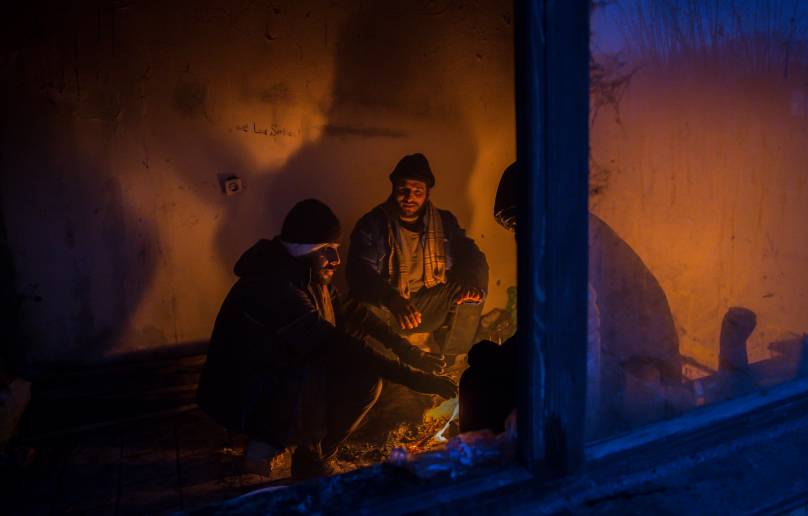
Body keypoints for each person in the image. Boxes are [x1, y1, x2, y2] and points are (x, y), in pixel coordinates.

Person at [196, 199, 457, 479]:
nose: (337, 260)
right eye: (327, 251)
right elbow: (337, 346)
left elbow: (356, 314)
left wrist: (410, 353)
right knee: (344, 377)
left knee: (356, 370)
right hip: (247, 391)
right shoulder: (274, 285)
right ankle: (275, 450)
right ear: (304, 251)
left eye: (336, 249)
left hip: (280, 372)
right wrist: (413, 378)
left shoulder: (306, 273)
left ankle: (309, 448)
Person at [459, 163, 682, 435]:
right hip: (625, 369)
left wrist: (501, 358)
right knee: (489, 376)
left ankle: (497, 467)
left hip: (640, 381)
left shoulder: (573, 244)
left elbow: (571, 338)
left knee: (479, 385)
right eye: (514, 225)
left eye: (520, 221)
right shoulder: (575, 234)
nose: (517, 235)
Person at [347, 153, 489, 356]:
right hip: (389, 309)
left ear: (427, 193)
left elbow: (472, 256)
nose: (409, 197)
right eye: (403, 190)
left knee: (471, 291)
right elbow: (359, 273)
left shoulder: (444, 223)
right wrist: (391, 299)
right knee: (363, 304)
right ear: (393, 189)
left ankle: (451, 361)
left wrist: (471, 283)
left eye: (417, 191)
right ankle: (381, 366)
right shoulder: (372, 224)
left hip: (427, 306)